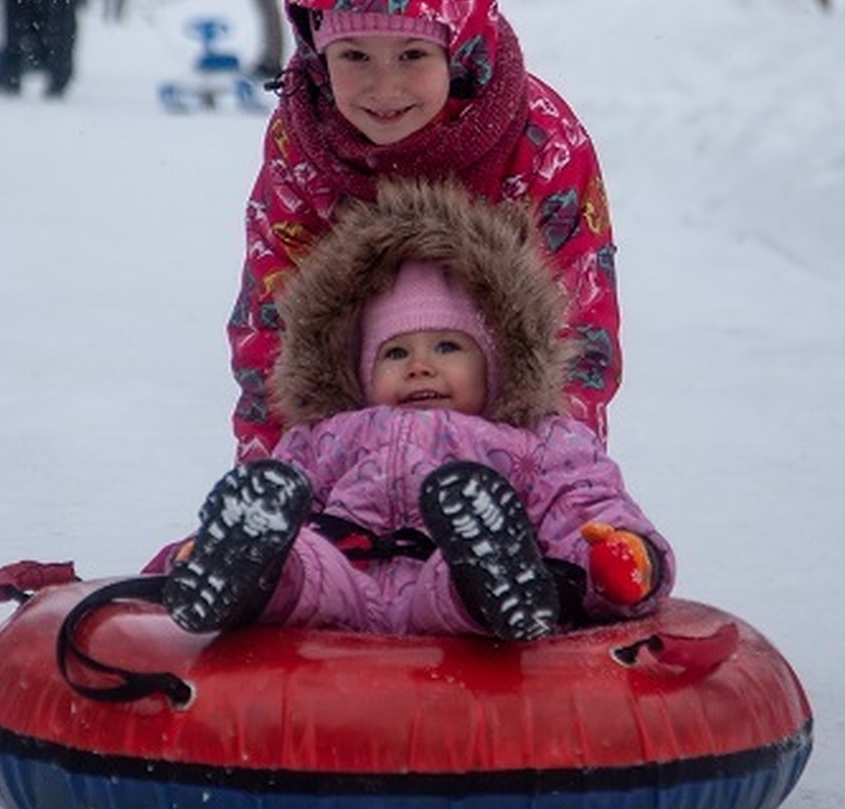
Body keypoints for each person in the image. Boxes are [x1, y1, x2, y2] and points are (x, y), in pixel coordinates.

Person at [227, 0, 620, 465]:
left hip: (502, 462)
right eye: (354, 56)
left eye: (412, 55)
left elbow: (578, 330)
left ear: (458, 46)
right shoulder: (302, 145)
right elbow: (271, 324)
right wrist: (271, 478)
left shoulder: (539, 140)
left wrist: (560, 478)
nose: (385, 90)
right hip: (350, 454)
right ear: (317, 50)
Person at [159, 180, 672, 642]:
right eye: (395, 353)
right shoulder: (328, 436)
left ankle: (495, 572)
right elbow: (277, 500)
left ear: (497, 360)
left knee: (457, 577)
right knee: (299, 564)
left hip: (444, 581)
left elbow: (584, 504)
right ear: (360, 370)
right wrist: (202, 548)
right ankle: (244, 574)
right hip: (342, 579)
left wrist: (619, 559)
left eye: (448, 347)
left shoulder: (536, 441)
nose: (420, 367)